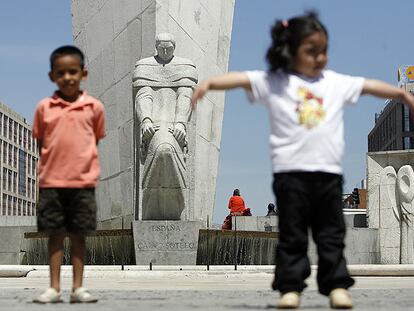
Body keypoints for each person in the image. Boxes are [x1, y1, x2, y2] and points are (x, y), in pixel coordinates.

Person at [191, 11, 414, 309]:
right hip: (291, 175)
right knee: (293, 235)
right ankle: (290, 288)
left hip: (327, 175)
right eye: (312, 51)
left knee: (330, 233)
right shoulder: (278, 82)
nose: (320, 57)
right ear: (291, 51)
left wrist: (401, 95)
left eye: (323, 50)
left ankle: (336, 286)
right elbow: (243, 78)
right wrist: (209, 84)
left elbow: (367, 86)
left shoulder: (334, 83)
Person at [32, 46, 105, 304]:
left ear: (83, 73)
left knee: (78, 236)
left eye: (72, 71)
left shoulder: (94, 108)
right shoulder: (44, 108)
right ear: (52, 76)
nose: (67, 77)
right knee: (55, 235)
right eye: (61, 73)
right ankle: (54, 288)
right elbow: (42, 142)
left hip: (83, 184)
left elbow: (93, 140)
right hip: (51, 183)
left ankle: (78, 288)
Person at [133, 32, 198, 220]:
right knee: (162, 148)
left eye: (168, 48)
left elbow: (185, 96)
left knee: (168, 149)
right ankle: (150, 207)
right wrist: (145, 120)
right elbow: (144, 95)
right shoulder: (145, 66)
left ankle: (177, 205)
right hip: (154, 125)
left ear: (174, 47)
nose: (164, 50)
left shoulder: (184, 66)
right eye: (161, 47)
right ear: (156, 47)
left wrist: (180, 122)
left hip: (176, 126)